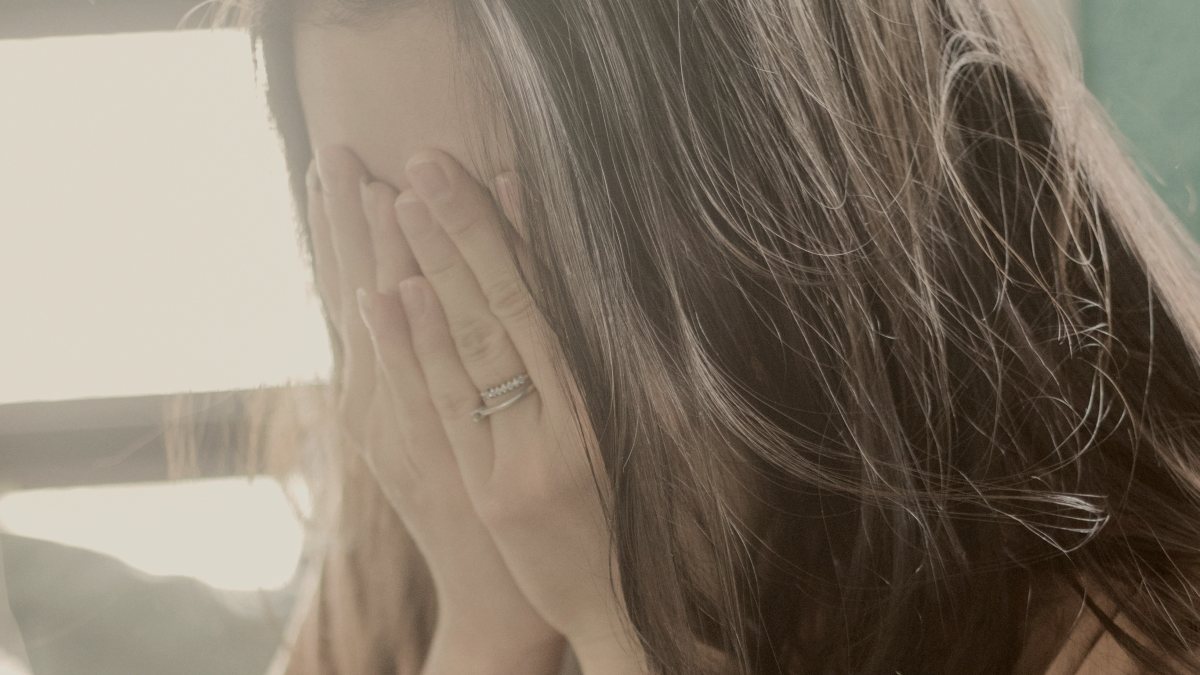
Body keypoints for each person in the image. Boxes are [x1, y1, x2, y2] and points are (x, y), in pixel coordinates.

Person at [188, 0, 1200, 672]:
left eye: (502, 248)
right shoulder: (405, 534)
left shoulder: (1112, 632)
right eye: (378, 229)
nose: (456, 334)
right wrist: (488, 629)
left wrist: (623, 623)